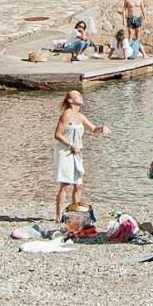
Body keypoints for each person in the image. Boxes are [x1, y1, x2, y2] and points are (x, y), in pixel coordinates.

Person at [53, 90, 109, 222]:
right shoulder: (66, 115)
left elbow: (94, 129)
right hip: (65, 152)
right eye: (77, 95)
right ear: (70, 100)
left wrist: (102, 128)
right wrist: (71, 145)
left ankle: (75, 214)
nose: (80, 96)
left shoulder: (81, 116)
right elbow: (58, 134)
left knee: (78, 185)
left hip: (77, 152)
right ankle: (58, 215)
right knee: (65, 184)